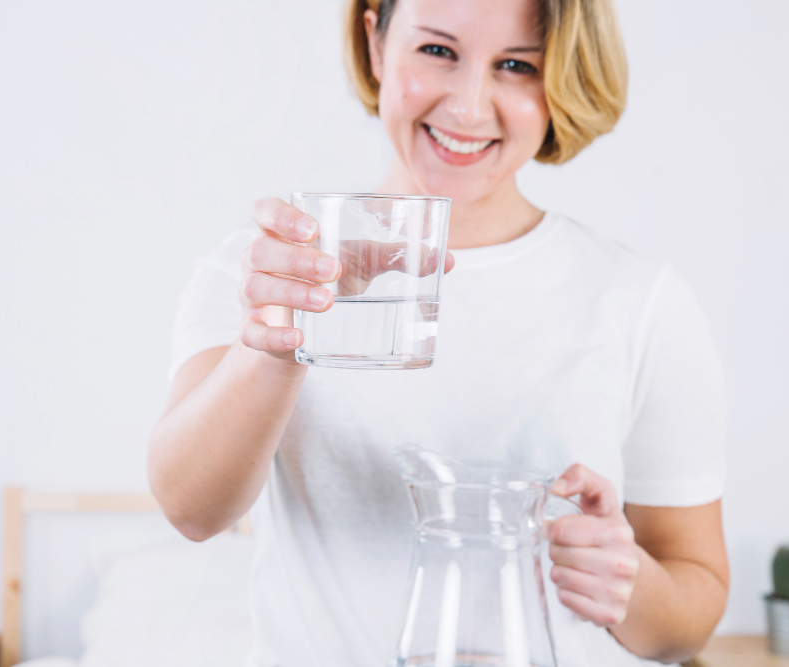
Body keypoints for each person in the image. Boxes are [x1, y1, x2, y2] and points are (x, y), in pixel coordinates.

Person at [148, 0, 729, 664]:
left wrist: (629, 580)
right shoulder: (264, 274)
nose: (469, 107)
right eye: (438, 51)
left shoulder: (641, 299)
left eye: (516, 65)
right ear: (376, 42)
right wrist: (275, 345)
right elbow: (191, 509)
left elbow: (694, 611)